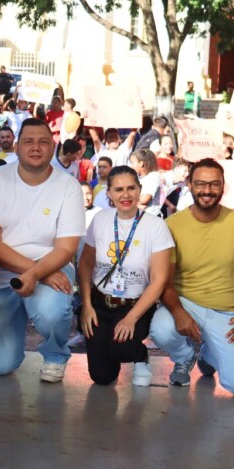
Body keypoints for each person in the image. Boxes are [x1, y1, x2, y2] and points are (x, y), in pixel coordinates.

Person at [149, 158, 234, 397]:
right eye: (200, 184)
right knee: (161, 329)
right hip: (185, 303)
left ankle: (208, 355)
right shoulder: (172, 225)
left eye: (214, 184)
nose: (207, 190)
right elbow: (164, 280)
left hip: (227, 312)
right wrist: (178, 312)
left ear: (223, 186)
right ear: (189, 185)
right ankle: (184, 357)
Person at [0, 119, 86, 381]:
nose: (36, 147)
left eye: (43, 142)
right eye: (28, 142)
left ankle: (56, 355)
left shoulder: (68, 186)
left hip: (51, 267)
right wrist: (35, 273)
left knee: (51, 312)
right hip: (3, 277)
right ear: (16, 147)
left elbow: (66, 248)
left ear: (53, 147)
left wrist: (38, 274)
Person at [78, 166, 174, 387]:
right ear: (109, 193)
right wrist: (86, 305)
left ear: (139, 189)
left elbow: (159, 280)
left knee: (121, 347)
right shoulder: (100, 219)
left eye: (131, 188)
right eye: (118, 189)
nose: (126, 195)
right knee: (102, 377)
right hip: (100, 303)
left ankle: (139, 355)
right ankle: (111, 348)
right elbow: (85, 264)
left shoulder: (156, 225)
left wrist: (131, 318)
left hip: (135, 305)